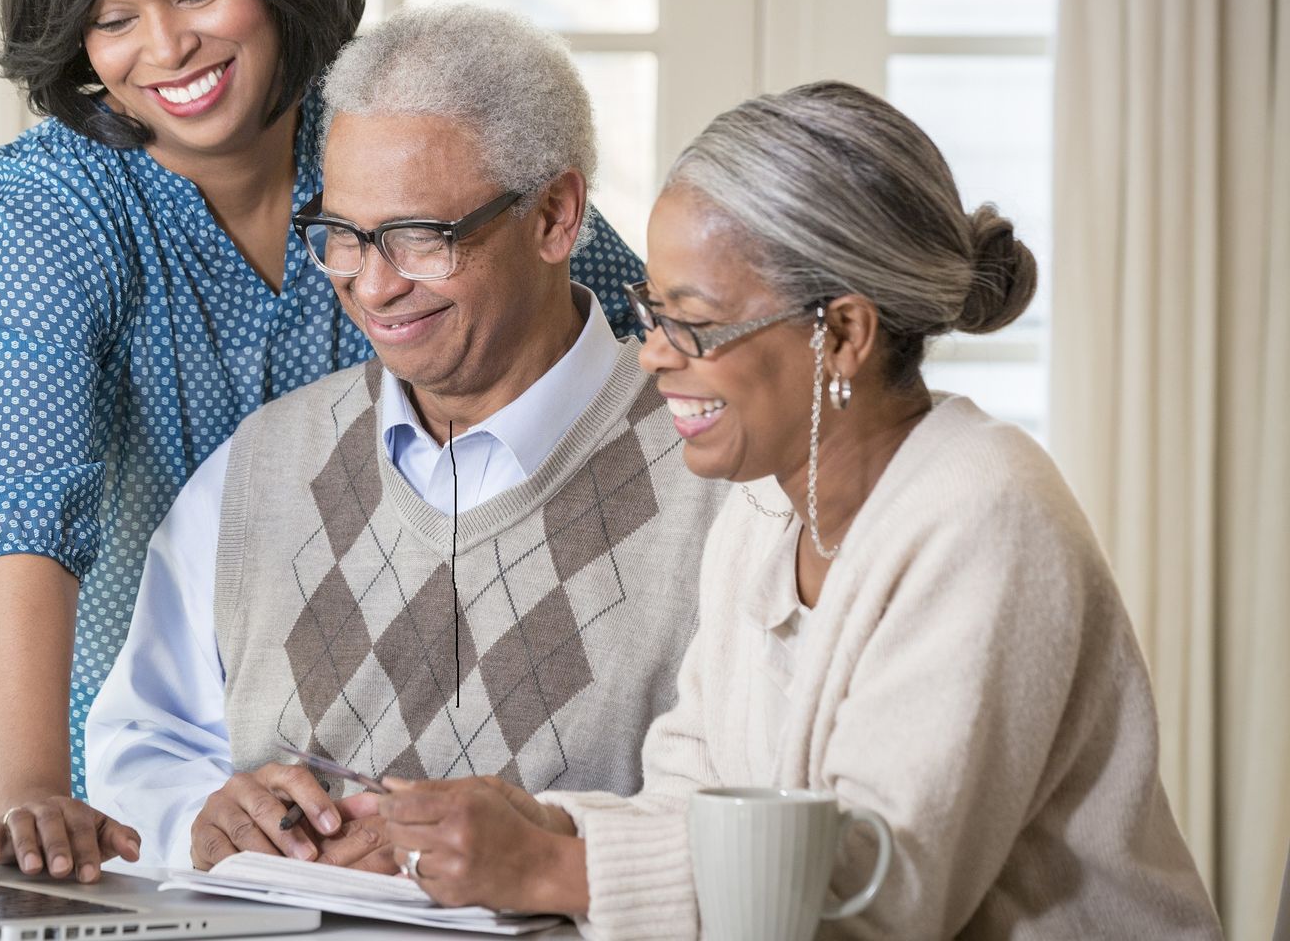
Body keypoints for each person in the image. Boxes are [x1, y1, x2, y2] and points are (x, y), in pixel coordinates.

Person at [0, 0, 649, 885]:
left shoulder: (373, 139)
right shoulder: (65, 205)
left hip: (324, 723)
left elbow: (614, 304)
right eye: (110, 17)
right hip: (96, 729)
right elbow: (18, 516)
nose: (166, 48)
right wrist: (39, 790)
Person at [359, 82, 1222, 938]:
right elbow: (689, 793)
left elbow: (878, 900)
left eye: (692, 324)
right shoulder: (766, 509)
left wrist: (551, 868)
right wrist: (546, 824)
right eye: (652, 311)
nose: (654, 355)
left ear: (842, 333)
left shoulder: (988, 513)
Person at [82, 4, 725, 869]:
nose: (372, 287)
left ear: (555, 216)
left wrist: (503, 852)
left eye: (421, 236)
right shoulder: (261, 463)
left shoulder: (719, 483)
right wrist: (201, 818)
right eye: (343, 237)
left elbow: (751, 827)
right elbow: (143, 742)